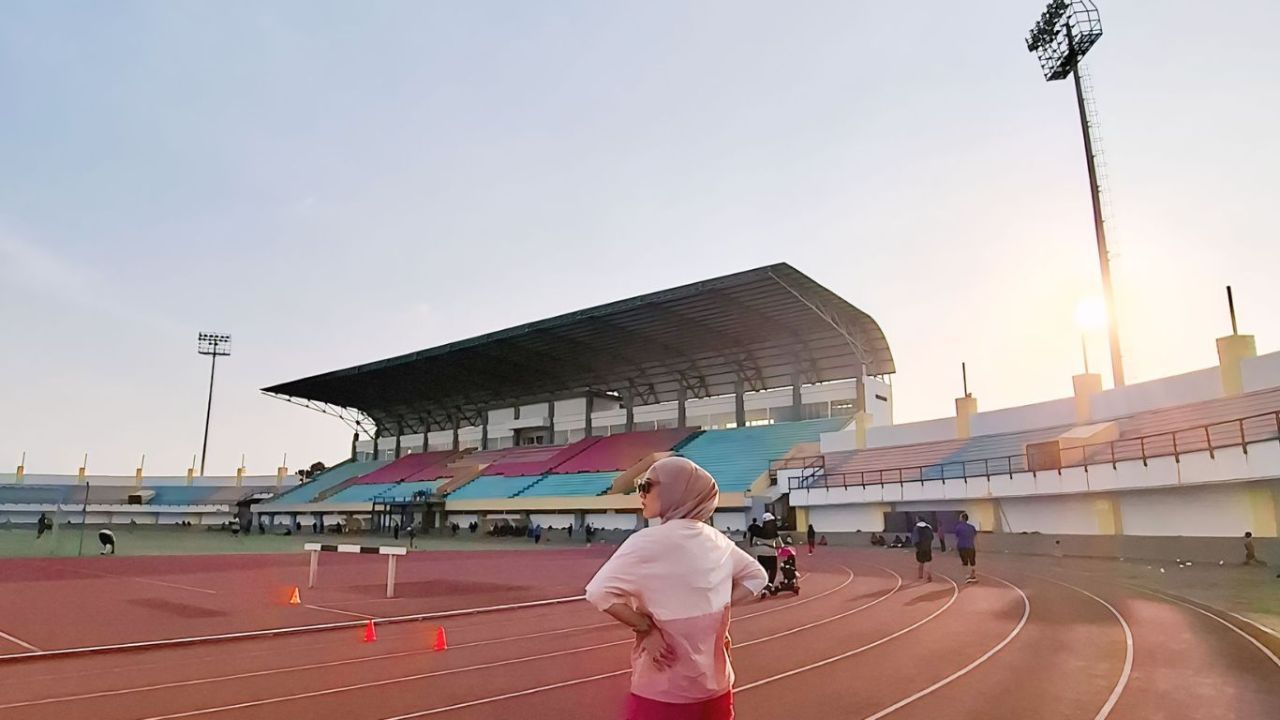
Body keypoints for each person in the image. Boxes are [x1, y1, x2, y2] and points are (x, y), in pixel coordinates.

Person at [585, 457, 766, 719]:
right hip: (716, 689)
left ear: (675, 491)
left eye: (647, 485)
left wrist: (646, 628)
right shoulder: (718, 540)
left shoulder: (645, 541)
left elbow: (598, 592)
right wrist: (717, 605)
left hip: (663, 691)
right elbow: (757, 577)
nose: (641, 493)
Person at [954, 512, 978, 583]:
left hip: (962, 546)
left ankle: (967, 576)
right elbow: (975, 536)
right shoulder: (972, 527)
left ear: (962, 518)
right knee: (972, 561)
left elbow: (957, 537)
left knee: (965, 562)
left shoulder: (958, 527)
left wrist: (956, 547)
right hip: (971, 546)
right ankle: (973, 575)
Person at [912, 517, 935, 582]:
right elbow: (932, 537)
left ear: (918, 520)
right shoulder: (929, 527)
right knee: (927, 562)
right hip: (928, 548)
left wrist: (916, 546)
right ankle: (928, 575)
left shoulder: (916, 528)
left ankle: (920, 576)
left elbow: (915, 539)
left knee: (920, 562)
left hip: (920, 548)